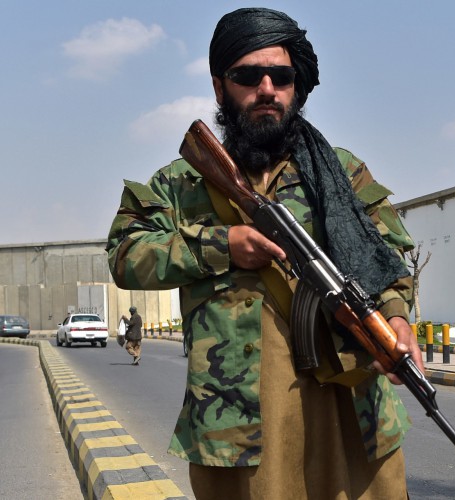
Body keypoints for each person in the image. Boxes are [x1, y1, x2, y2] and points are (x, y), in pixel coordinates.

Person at [106, 7, 422, 499]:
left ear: (297, 86)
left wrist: (397, 319)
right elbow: (125, 253)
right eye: (249, 76)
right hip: (239, 425)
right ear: (220, 87)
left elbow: (391, 260)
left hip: (351, 412)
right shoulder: (183, 182)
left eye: (282, 76)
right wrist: (221, 245)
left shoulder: (340, 174)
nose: (267, 89)